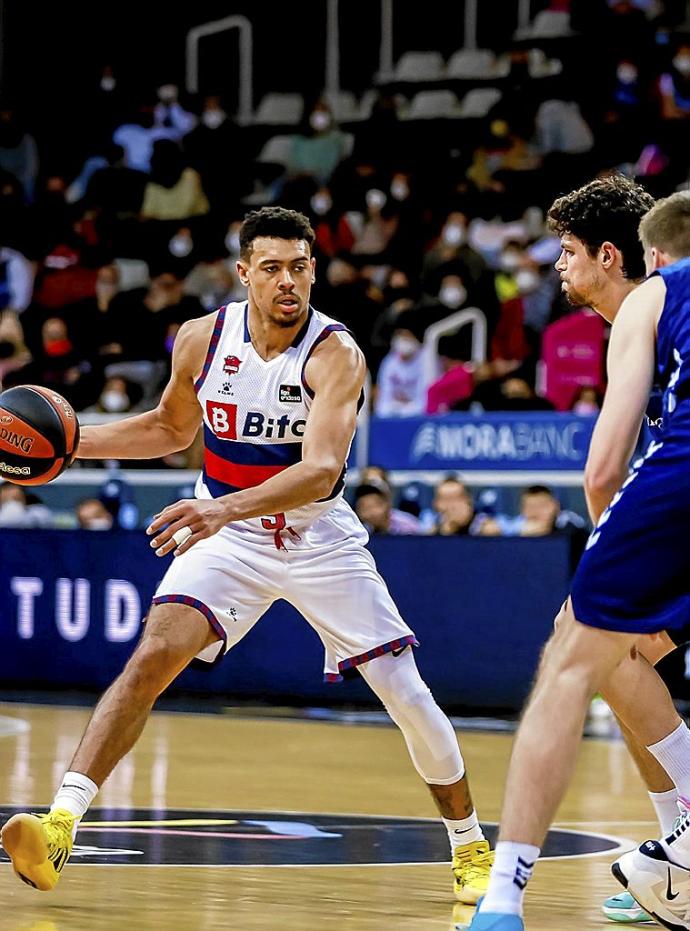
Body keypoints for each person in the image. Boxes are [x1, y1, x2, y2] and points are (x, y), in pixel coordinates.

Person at [1, 206, 493, 903]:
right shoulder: (201, 338)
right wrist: (72, 444)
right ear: (243, 273)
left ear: (314, 271)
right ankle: (60, 825)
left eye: (300, 267)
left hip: (316, 536)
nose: (288, 280)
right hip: (232, 538)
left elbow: (321, 470)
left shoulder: (336, 354)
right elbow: (171, 428)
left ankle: (469, 843)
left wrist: (219, 508)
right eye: (272, 267)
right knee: (151, 656)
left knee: (407, 696)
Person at [468, 190, 690, 931]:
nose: (558, 265)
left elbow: (602, 474)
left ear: (615, 254)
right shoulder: (638, 322)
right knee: (620, 662)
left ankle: (506, 896)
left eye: (568, 251)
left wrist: (624, 568)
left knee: (580, 641)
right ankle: (680, 848)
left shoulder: (652, 304)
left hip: (674, 501)